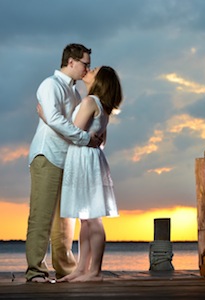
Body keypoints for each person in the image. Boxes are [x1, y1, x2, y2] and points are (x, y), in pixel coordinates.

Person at [26, 43, 101, 283]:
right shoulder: (51, 85)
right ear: (71, 62)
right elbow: (56, 120)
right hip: (47, 155)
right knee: (42, 215)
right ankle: (35, 271)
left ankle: (65, 268)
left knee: (65, 219)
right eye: (84, 64)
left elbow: (58, 120)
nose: (86, 69)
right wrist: (85, 139)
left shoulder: (76, 92)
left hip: (67, 159)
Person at [56, 66, 123, 282]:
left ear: (100, 80)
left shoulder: (90, 102)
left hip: (84, 159)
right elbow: (102, 141)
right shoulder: (101, 106)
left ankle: (94, 271)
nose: (89, 70)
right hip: (90, 159)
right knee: (86, 218)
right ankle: (82, 268)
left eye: (94, 70)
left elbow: (72, 133)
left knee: (92, 218)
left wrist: (48, 118)